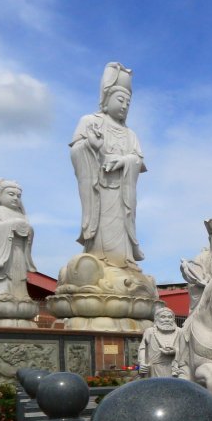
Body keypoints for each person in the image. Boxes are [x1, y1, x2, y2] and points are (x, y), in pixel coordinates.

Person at [70, 62, 146, 268]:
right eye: (120, 99)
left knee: (122, 226)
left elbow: (138, 161)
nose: (124, 106)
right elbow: (76, 150)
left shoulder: (130, 134)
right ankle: (99, 259)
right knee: (101, 229)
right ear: (106, 98)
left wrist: (125, 161)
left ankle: (125, 260)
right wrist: (90, 146)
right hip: (99, 191)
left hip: (122, 195)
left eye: (128, 103)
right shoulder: (90, 122)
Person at [0, 179, 36, 300]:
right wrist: (12, 224)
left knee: (19, 275)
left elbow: (28, 232)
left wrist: (29, 230)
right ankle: (1, 293)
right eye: (11, 194)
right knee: (4, 277)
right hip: (4, 253)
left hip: (19, 251)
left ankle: (21, 294)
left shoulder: (21, 214)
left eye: (18, 196)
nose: (15, 198)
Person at [138, 307, 183, 378]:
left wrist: (175, 351)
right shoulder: (150, 332)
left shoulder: (180, 332)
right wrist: (142, 363)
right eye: (163, 317)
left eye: (170, 317)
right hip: (154, 369)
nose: (167, 320)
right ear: (156, 319)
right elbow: (143, 349)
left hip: (174, 369)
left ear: (174, 319)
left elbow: (186, 350)